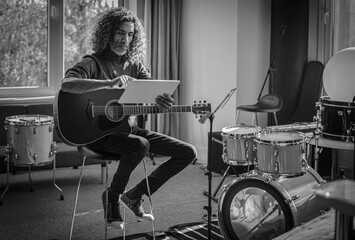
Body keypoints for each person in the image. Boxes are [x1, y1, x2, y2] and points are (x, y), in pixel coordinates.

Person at [61, 7, 197, 227]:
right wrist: (108, 83)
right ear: (108, 33)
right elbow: (67, 84)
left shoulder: (134, 65)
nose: (125, 39)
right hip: (97, 135)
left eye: (130, 34)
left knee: (188, 152)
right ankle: (112, 199)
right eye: (120, 33)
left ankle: (134, 195)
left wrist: (161, 102)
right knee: (139, 144)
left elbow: (153, 92)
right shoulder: (93, 62)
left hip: (128, 132)